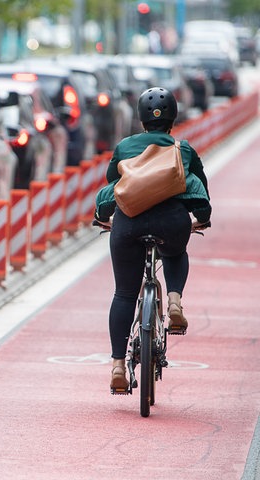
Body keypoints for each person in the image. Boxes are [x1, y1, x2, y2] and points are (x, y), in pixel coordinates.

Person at [94, 87, 211, 392]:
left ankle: (118, 366)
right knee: (174, 253)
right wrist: (203, 217)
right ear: (173, 118)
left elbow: (113, 188)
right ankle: (174, 302)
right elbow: (199, 189)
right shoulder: (182, 149)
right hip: (171, 222)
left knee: (123, 294)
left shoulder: (123, 147)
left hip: (128, 225)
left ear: (141, 120)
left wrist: (102, 215)